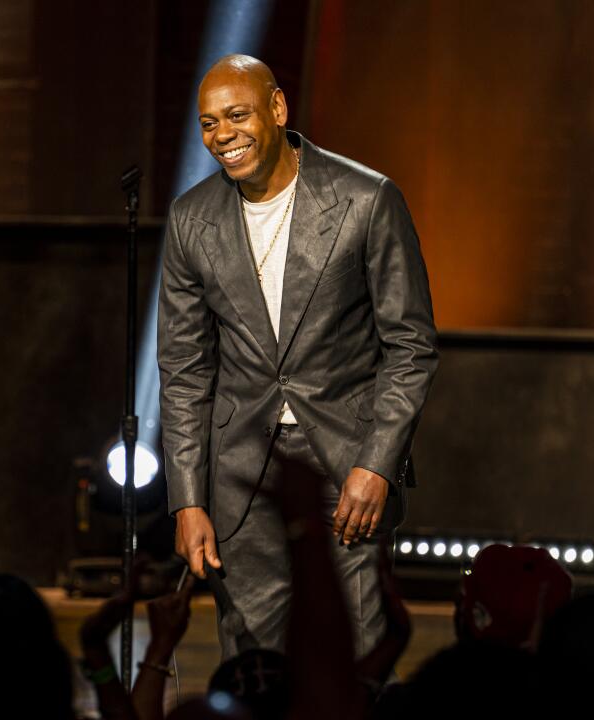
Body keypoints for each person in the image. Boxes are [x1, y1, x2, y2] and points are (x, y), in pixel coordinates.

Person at [157, 54, 438, 658]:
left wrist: (378, 464)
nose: (222, 136)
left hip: (345, 469)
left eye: (237, 115)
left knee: (354, 665)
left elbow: (410, 347)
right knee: (256, 676)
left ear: (278, 109)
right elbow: (184, 372)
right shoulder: (191, 220)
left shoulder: (366, 200)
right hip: (239, 478)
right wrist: (187, 498)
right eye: (208, 124)